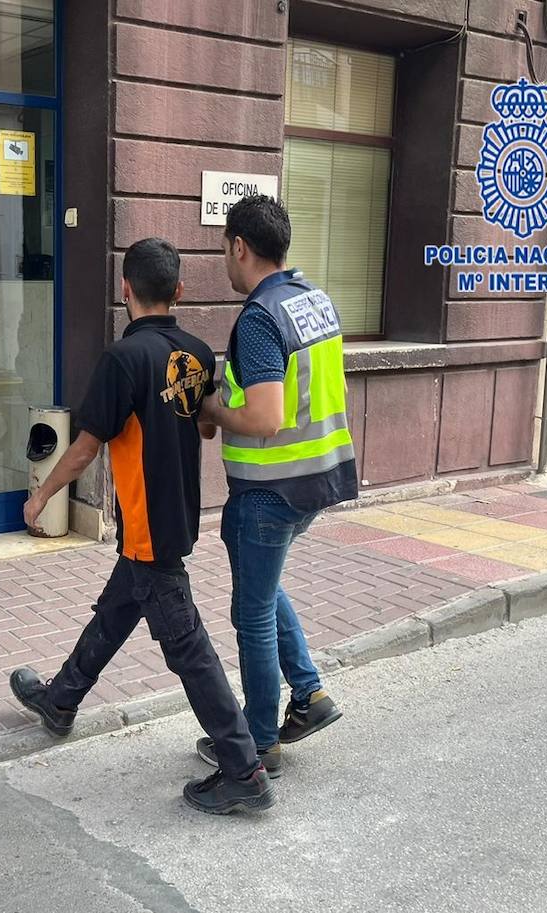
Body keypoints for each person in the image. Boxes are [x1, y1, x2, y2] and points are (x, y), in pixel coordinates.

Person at [10, 238, 274, 815]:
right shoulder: (200, 353)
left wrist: (41, 496)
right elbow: (206, 427)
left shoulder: (123, 360)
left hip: (149, 529)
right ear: (178, 291)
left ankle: (243, 770)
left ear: (124, 289)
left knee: (189, 650)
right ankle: (61, 700)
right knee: (118, 608)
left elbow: (84, 448)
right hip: (173, 518)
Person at [194, 195, 358, 776]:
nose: (224, 260)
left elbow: (266, 415)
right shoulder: (313, 300)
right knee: (265, 593)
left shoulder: (261, 316)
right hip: (316, 479)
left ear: (240, 246)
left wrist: (210, 404)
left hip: (270, 488)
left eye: (223, 249)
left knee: (253, 614)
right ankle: (309, 695)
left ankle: (259, 741)